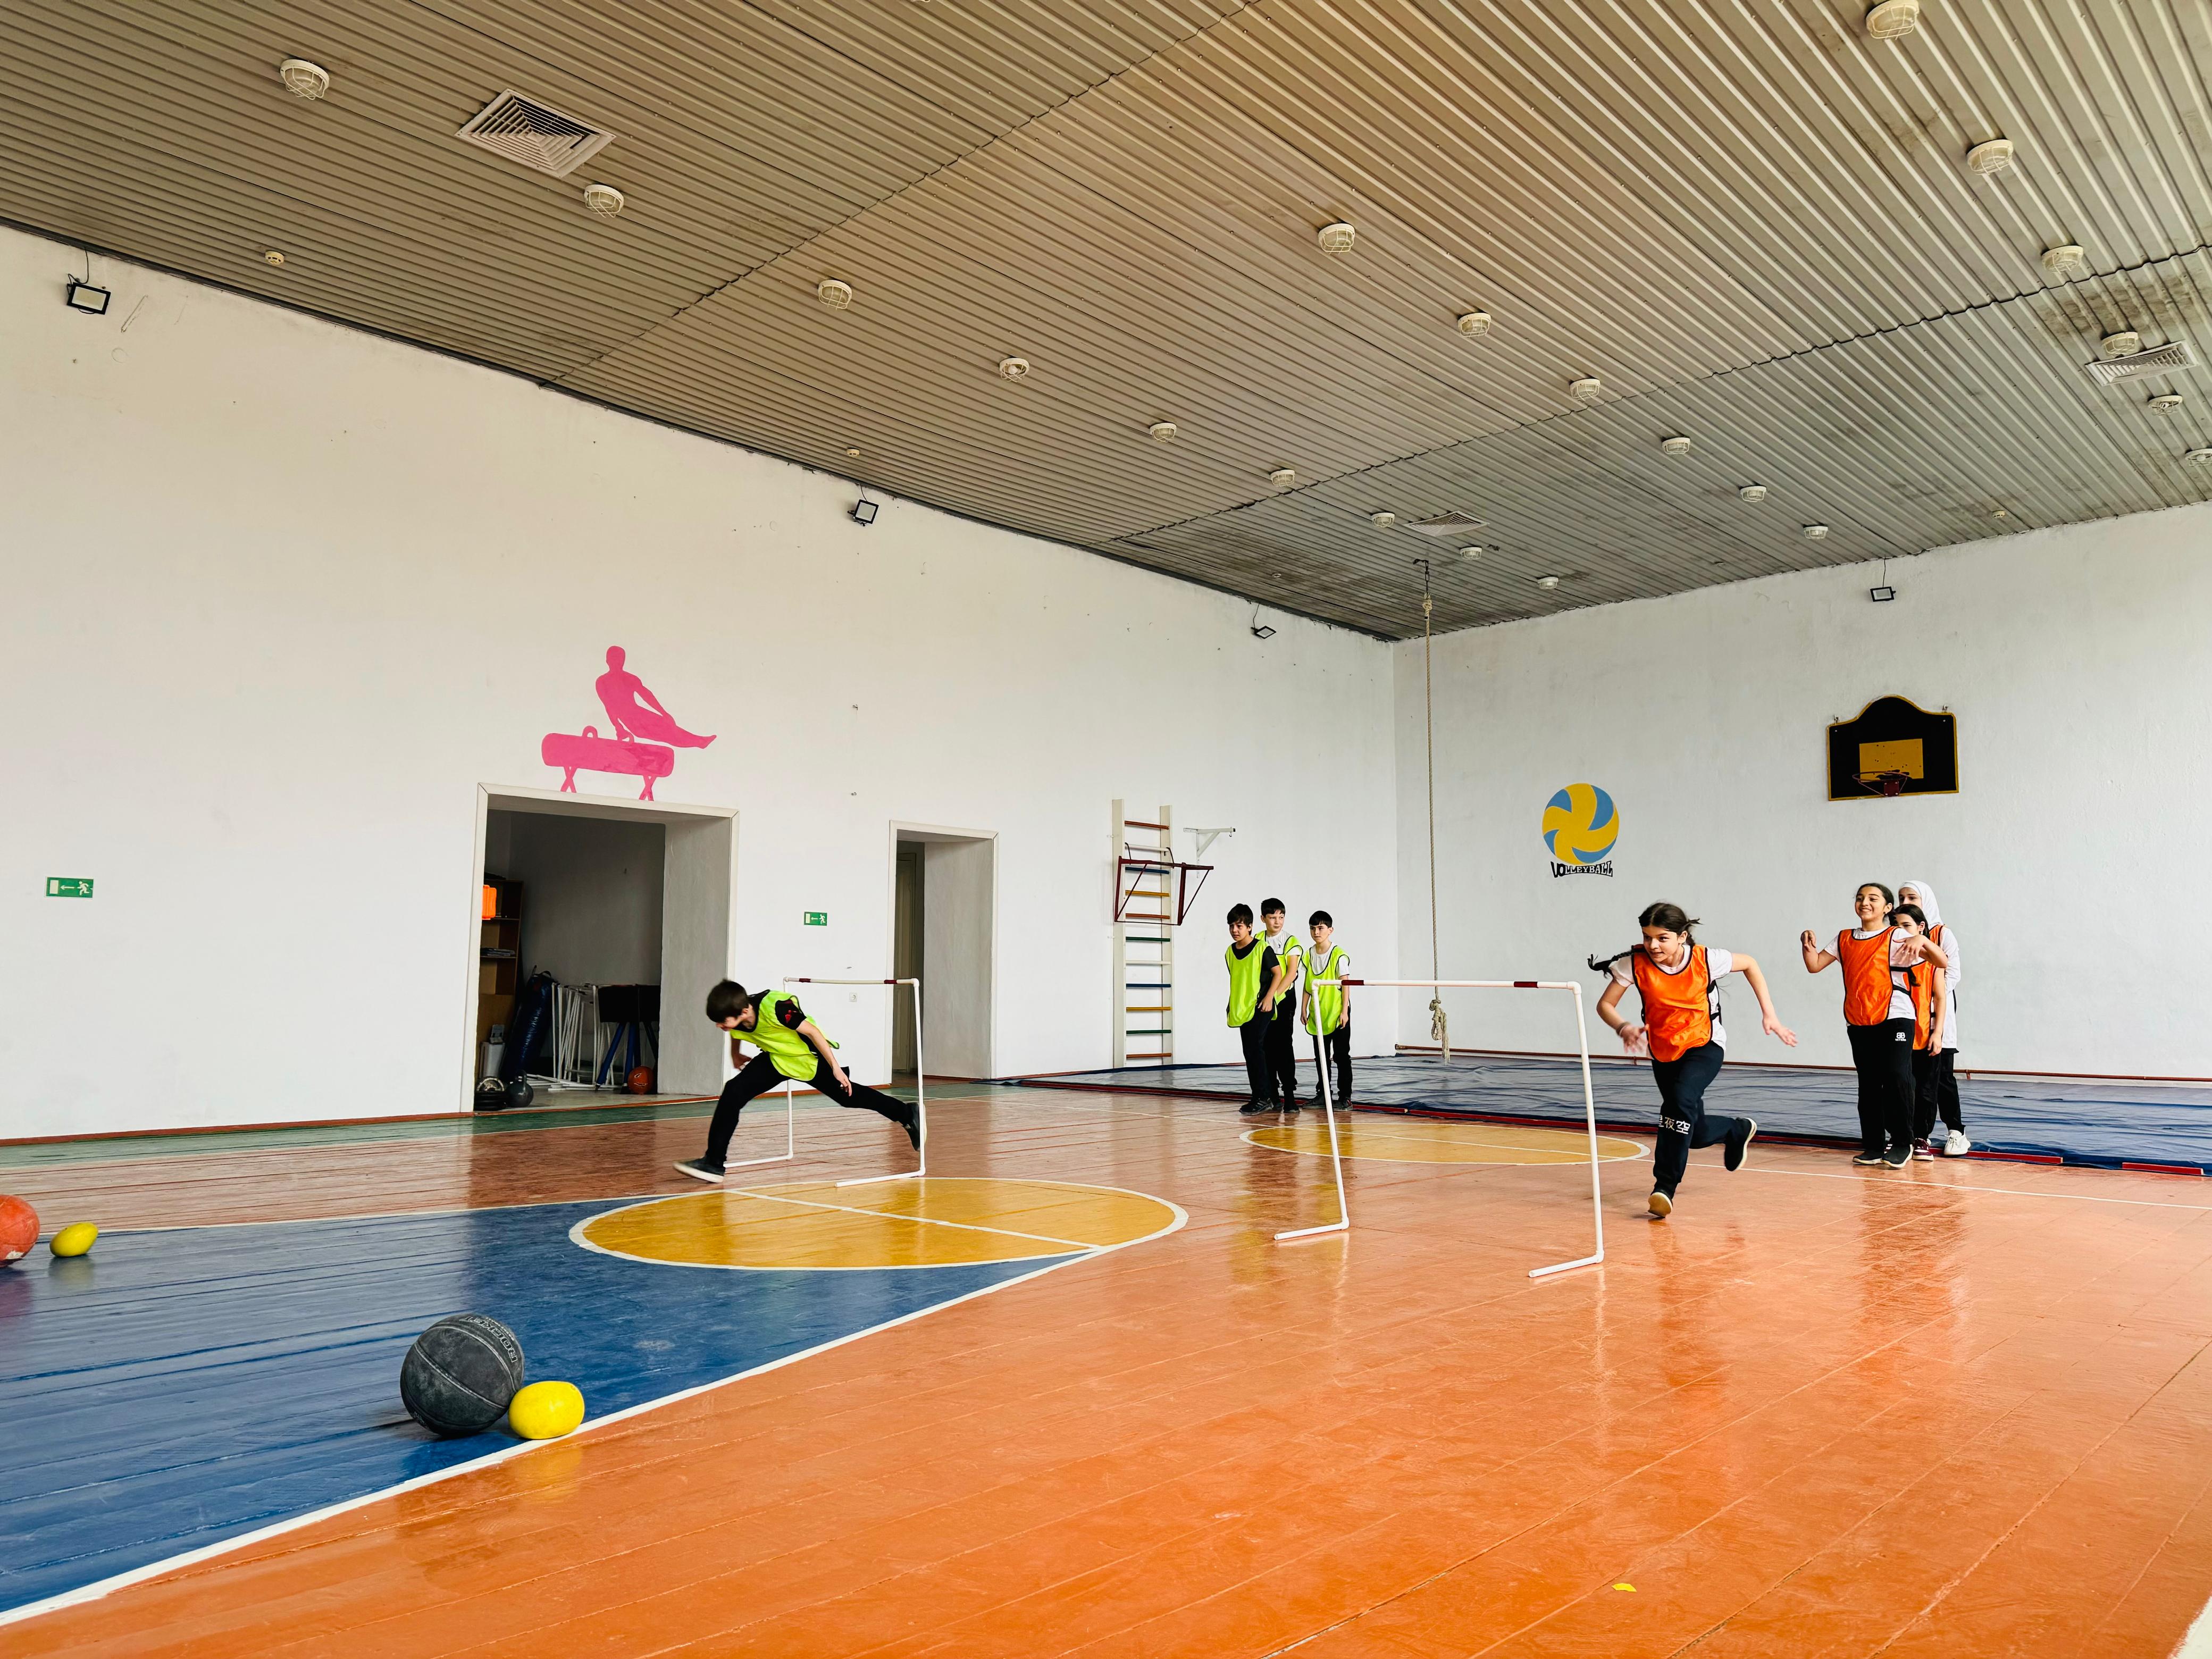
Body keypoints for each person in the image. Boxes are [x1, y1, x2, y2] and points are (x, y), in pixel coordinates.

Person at [1597, 901, 1797, 1218]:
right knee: (1693, 1130)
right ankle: (1734, 1130)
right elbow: (1605, 1005)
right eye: (1648, 937)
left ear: (1682, 937)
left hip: (1705, 1044)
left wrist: (1770, 1014)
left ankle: (1664, 1188)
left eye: (1662, 938)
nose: (1653, 945)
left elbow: (1750, 964)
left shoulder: (1706, 959)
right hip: (1663, 1051)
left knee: (1677, 1104)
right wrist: (1623, 1027)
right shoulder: (1633, 965)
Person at [676, 980, 917, 1182]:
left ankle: (906, 1113)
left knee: (849, 1098)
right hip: (777, 1059)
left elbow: (812, 1032)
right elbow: (738, 1030)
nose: (719, 1026)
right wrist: (735, 1053)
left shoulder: (778, 1008)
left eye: (722, 1021)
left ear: (744, 1012)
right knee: (733, 1093)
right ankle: (714, 1163)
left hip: (808, 1058)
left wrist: (835, 1068)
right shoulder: (738, 1012)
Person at [1802, 883, 1948, 1170]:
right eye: (1860, 898)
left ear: (1887, 908)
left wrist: (1923, 940)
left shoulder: (1896, 935)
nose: (1864, 903)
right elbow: (1815, 965)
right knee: (1868, 1083)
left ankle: (1903, 1142)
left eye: (1872, 898)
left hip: (1895, 1015)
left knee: (1896, 1076)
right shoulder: (1844, 938)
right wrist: (1807, 948)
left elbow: (1941, 960)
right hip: (1859, 1017)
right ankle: (1874, 1145)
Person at [1898, 879, 1969, 1157]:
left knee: (1943, 1078)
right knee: (1911, 1078)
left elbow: (1953, 973)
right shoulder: (1896, 934)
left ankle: (1956, 1132)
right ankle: (1914, 1134)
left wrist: (1926, 996)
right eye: (1902, 898)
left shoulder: (1941, 933)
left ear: (1926, 900)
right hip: (1908, 1016)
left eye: (1912, 897)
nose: (1906, 902)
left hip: (1936, 1014)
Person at [1225, 904, 1283, 1115]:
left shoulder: (1262, 949)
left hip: (1261, 1006)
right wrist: (1232, 1005)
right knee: (1251, 1052)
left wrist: (1269, 998)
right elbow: (1238, 981)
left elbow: (1278, 973)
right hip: (1243, 1009)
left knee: (1255, 1050)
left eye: (1239, 926)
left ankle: (1263, 1097)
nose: (1235, 930)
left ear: (1250, 927)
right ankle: (1267, 1097)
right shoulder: (1230, 952)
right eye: (1232, 926)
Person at [1300, 910, 1353, 1110]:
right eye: (1313, 928)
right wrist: (1303, 1008)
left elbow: (1346, 984)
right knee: (1321, 1056)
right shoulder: (1308, 955)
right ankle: (1323, 1094)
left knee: (1341, 1056)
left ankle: (1345, 1097)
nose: (1316, 932)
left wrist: (1344, 1011)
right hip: (1318, 1013)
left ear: (1330, 930)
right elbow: (1307, 984)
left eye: (1321, 928)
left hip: (1338, 1013)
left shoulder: (1339, 955)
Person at [1258, 899, 1303, 1113]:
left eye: (1281, 917)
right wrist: (1264, 998)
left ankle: (1290, 1097)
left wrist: (1273, 997)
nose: (1277, 922)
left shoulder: (1291, 941)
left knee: (1283, 1046)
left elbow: (1291, 973)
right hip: (1263, 1000)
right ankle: (1272, 1095)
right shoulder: (1258, 940)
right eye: (1273, 917)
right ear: (1263, 919)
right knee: (1265, 1047)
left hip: (1283, 1000)